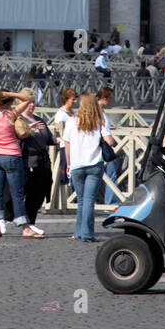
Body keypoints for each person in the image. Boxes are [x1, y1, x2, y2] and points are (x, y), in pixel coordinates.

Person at [0, 90, 43, 239]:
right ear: (9, 103)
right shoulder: (11, 115)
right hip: (11, 156)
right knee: (17, 193)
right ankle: (25, 227)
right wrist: (12, 94)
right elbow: (27, 100)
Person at [63, 92, 115, 242]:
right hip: (94, 164)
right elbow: (109, 141)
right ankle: (87, 233)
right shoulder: (100, 120)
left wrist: (68, 163)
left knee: (81, 200)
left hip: (77, 164)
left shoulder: (72, 121)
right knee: (89, 200)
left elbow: (67, 144)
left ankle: (79, 231)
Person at [3, 90, 53, 234]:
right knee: (18, 191)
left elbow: (48, 137)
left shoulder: (39, 119)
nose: (32, 105)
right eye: (29, 102)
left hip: (41, 162)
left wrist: (59, 140)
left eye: (33, 102)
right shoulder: (17, 119)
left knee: (38, 194)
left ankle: (30, 222)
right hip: (24, 161)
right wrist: (29, 130)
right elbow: (14, 137)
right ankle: (6, 217)